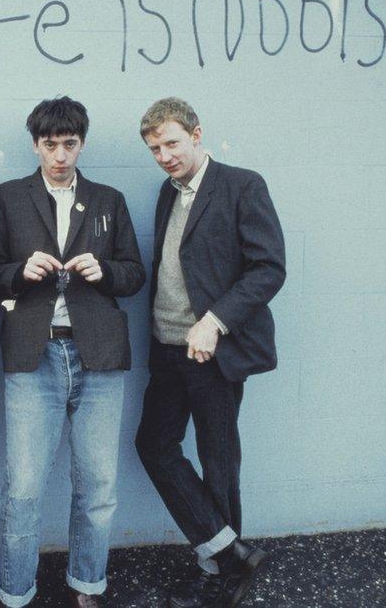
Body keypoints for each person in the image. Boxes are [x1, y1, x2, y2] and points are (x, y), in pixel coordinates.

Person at [0, 97, 146, 608]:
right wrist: (17, 271)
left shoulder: (108, 198)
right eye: (50, 144)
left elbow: (134, 274)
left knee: (98, 485)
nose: (59, 155)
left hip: (98, 354)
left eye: (69, 144)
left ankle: (87, 587)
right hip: (35, 356)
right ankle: (15, 593)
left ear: (82, 142)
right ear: (36, 144)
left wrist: (107, 273)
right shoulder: (9, 198)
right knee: (24, 488)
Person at [134, 97, 286, 608]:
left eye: (172, 143)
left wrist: (215, 322)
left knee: (218, 461)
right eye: (155, 148)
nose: (165, 156)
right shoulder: (166, 192)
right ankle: (231, 555)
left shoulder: (243, 185)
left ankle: (222, 580)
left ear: (197, 135)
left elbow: (268, 269)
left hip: (212, 351)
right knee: (154, 446)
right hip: (166, 348)